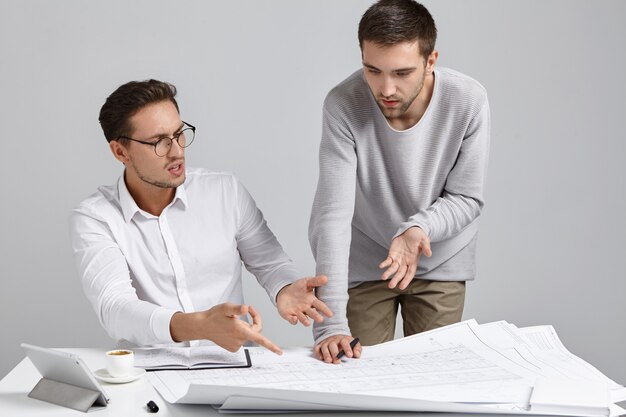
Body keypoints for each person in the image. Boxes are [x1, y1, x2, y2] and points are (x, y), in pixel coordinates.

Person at [70, 79, 332, 354]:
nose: (177, 151)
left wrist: (284, 289)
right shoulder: (95, 218)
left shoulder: (224, 191)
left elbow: (270, 263)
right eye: (159, 142)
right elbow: (115, 309)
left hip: (233, 368)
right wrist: (201, 325)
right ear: (120, 151)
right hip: (152, 375)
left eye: (179, 134)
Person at [309, 0, 490, 363]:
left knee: (433, 380)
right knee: (355, 375)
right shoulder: (342, 104)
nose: (386, 88)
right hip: (365, 261)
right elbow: (332, 216)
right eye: (372, 70)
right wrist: (330, 324)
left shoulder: (468, 100)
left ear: (431, 60)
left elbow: (467, 198)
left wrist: (418, 228)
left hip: (439, 256)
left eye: (402, 73)